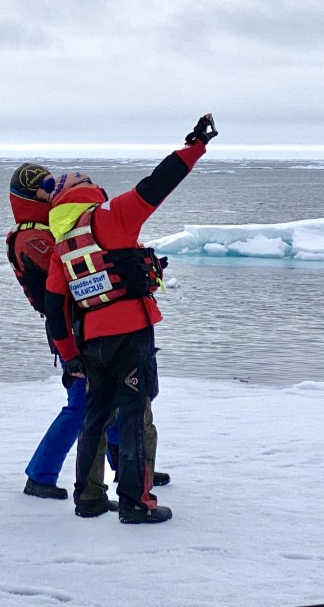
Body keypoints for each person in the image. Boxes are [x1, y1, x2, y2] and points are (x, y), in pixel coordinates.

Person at [43, 114, 217, 524]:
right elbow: (158, 184)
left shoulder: (61, 248)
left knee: (95, 417)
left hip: (90, 346)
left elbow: (55, 310)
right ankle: (137, 503)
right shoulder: (113, 216)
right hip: (131, 337)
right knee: (135, 416)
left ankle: (87, 499)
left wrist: (70, 358)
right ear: (89, 194)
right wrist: (195, 145)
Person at [6, 163, 114, 504]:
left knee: (112, 395)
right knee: (82, 404)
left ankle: (131, 466)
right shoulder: (33, 237)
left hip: (84, 324)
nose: (52, 192)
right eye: (45, 187)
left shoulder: (47, 230)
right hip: (71, 329)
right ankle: (41, 475)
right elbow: (68, 270)